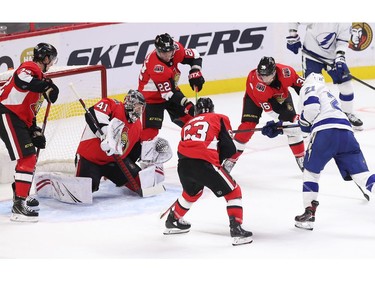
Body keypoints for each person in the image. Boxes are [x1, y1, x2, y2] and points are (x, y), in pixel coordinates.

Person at [163, 97, 253, 246]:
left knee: (192, 193)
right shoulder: (219, 118)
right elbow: (230, 148)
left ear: (196, 112)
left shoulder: (188, 124)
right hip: (204, 164)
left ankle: (173, 220)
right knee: (233, 191)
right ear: (212, 109)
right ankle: (236, 230)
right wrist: (218, 160)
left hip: (183, 165)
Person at [291, 73, 375, 230]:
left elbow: (311, 109)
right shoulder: (328, 93)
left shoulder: (310, 86)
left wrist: (302, 125)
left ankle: (309, 213)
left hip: (325, 133)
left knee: (311, 172)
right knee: (363, 175)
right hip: (346, 134)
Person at [0, 42, 59, 222]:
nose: (52, 63)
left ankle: (20, 192)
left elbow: (30, 109)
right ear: (46, 58)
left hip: (16, 116)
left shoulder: (39, 80)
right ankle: (19, 206)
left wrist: (34, 130)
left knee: (28, 156)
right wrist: (44, 86)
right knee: (28, 157)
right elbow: (20, 79)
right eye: (52, 59)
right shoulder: (30, 67)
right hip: (6, 112)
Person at [75, 90, 171, 198]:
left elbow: (133, 151)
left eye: (141, 108)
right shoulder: (113, 105)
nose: (139, 111)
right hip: (90, 159)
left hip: (116, 162)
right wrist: (106, 134)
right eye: (137, 107)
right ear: (130, 104)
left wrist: (151, 153)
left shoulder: (137, 126)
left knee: (143, 183)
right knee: (84, 191)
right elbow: (93, 113)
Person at [222, 56, 305, 173]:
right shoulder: (258, 86)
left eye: (267, 75)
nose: (263, 78)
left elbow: (303, 87)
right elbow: (272, 111)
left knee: (290, 125)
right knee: (247, 127)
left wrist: (309, 104)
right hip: (254, 99)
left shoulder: (287, 72)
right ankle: (231, 159)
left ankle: (301, 156)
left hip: (281, 95)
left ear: (274, 72)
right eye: (261, 75)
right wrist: (286, 120)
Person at [286, 23, 363, 130]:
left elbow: (342, 41)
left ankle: (348, 113)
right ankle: (306, 120)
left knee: (346, 85)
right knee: (311, 88)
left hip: (332, 57)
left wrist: (340, 57)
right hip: (311, 55)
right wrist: (292, 35)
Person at [138, 33, 205, 142]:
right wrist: (187, 105)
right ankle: (141, 155)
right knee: (149, 134)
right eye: (164, 52)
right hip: (151, 98)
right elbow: (169, 94)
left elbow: (195, 56)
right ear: (158, 51)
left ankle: (196, 148)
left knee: (191, 123)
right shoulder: (156, 67)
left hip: (170, 89)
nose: (168, 55)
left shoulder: (177, 50)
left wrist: (195, 71)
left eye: (170, 50)